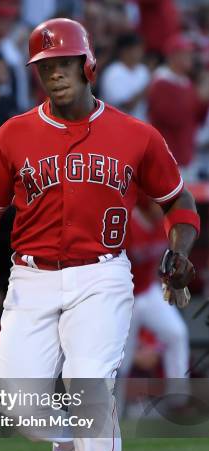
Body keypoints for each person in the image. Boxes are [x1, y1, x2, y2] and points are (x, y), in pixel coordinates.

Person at [0, 18, 199, 451]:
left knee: (92, 388)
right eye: (44, 68)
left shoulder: (136, 134)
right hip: (31, 278)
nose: (54, 75)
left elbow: (180, 202)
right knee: (21, 409)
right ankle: (65, 450)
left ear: (86, 65)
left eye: (63, 64)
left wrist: (180, 249)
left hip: (102, 277)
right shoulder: (13, 135)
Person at [120, 197, 189, 381]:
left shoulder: (164, 225)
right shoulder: (127, 222)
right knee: (121, 360)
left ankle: (178, 400)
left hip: (147, 290)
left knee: (176, 333)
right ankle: (112, 405)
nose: (164, 209)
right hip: (123, 297)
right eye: (160, 205)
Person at [148, 34, 208, 178]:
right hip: (169, 155)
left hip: (186, 153)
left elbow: (197, 116)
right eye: (185, 54)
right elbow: (170, 117)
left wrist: (203, 99)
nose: (190, 58)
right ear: (173, 56)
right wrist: (200, 96)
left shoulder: (186, 82)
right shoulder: (161, 81)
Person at [100, 32, 150, 121]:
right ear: (125, 51)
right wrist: (148, 88)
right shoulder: (113, 73)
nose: (141, 52)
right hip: (117, 124)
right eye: (136, 48)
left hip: (141, 125)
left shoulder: (143, 70)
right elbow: (127, 106)